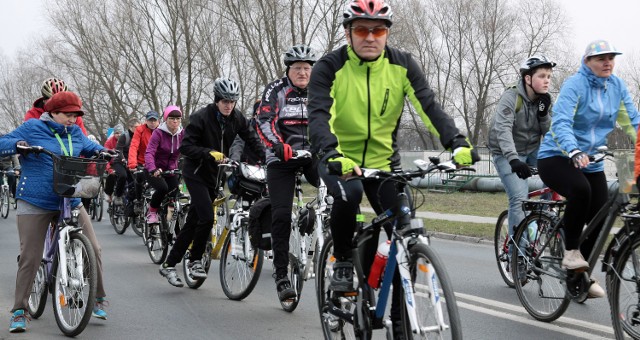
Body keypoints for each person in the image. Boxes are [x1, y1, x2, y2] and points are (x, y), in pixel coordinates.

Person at [307, 0, 478, 335]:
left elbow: (428, 105)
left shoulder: (402, 65)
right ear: (348, 32)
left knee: (405, 230)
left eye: (378, 30)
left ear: (387, 33)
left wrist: (456, 142)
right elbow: (318, 115)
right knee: (350, 195)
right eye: (361, 29)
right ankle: (342, 260)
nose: (370, 36)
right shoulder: (329, 67)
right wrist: (330, 152)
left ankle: (400, 320)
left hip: (385, 164)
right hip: (340, 159)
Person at [2, 91, 113, 332]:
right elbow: (2, 143)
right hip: (36, 199)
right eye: (67, 114)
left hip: (70, 197)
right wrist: (19, 145)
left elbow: (89, 146)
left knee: (93, 247)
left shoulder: (74, 132)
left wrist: (103, 151)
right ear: (52, 113)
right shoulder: (32, 127)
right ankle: (19, 311)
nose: (72, 119)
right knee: (30, 256)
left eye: (76, 115)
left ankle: (97, 297)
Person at [537, 39, 640, 299]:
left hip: (591, 160)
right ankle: (571, 252)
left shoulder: (616, 86)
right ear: (587, 62)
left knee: (602, 215)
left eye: (611, 58)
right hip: (557, 155)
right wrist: (573, 149)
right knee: (580, 191)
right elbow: (561, 121)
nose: (607, 63)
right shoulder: (575, 84)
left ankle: (579, 273)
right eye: (601, 58)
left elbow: (632, 122)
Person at [159, 78, 265, 287]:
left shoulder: (237, 118)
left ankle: (169, 264)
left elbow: (252, 139)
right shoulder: (201, 117)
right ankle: (195, 261)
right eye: (225, 101)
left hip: (215, 176)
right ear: (217, 100)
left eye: (232, 102)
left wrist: (266, 159)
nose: (229, 105)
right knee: (207, 217)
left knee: (193, 222)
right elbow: (186, 148)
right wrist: (209, 153)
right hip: (195, 172)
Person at [255, 44, 320, 301]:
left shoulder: (321, 90)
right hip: (282, 158)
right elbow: (263, 121)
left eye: (307, 68)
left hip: (313, 156)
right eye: (297, 68)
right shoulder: (276, 90)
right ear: (288, 70)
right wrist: (277, 145)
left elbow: (334, 119)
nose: (302, 72)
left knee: (340, 193)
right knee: (281, 214)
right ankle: (282, 275)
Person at [487, 55, 555, 279]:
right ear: (528, 78)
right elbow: (502, 130)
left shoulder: (543, 100)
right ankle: (518, 255)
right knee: (519, 197)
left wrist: (544, 114)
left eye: (549, 76)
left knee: (552, 184)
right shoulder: (511, 97)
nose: (547, 81)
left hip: (533, 149)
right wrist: (514, 160)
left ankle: (539, 226)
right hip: (506, 153)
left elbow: (549, 132)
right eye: (542, 76)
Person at [144, 106, 185, 224]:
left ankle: (170, 220)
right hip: (154, 169)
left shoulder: (182, 134)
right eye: (172, 118)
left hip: (171, 170)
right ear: (166, 119)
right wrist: (152, 168)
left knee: (175, 191)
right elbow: (149, 152)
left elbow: (189, 149)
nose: (175, 121)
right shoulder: (158, 133)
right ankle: (151, 212)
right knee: (163, 188)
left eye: (178, 118)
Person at [127, 111, 160, 212]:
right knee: (139, 178)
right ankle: (139, 200)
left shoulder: (162, 130)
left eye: (154, 120)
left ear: (158, 121)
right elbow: (134, 146)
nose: (152, 123)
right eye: (150, 120)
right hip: (142, 162)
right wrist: (132, 163)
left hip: (157, 163)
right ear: (146, 121)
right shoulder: (140, 130)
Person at [112, 118, 140, 209]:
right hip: (120, 161)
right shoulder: (124, 136)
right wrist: (123, 159)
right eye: (136, 127)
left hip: (132, 162)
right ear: (130, 127)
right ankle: (118, 195)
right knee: (123, 176)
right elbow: (118, 150)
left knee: (136, 181)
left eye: (139, 127)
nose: (138, 129)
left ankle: (132, 200)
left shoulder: (140, 136)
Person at [229, 99, 265, 165]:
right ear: (256, 112)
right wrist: (235, 159)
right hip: (248, 166)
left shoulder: (274, 129)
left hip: (267, 166)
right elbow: (238, 143)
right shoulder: (247, 126)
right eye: (261, 110)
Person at [103, 124, 124, 203]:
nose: (119, 135)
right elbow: (105, 157)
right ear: (114, 133)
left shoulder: (125, 140)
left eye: (120, 133)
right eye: (117, 133)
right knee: (112, 175)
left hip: (122, 163)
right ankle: (108, 193)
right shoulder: (109, 142)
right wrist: (108, 168)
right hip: (112, 163)